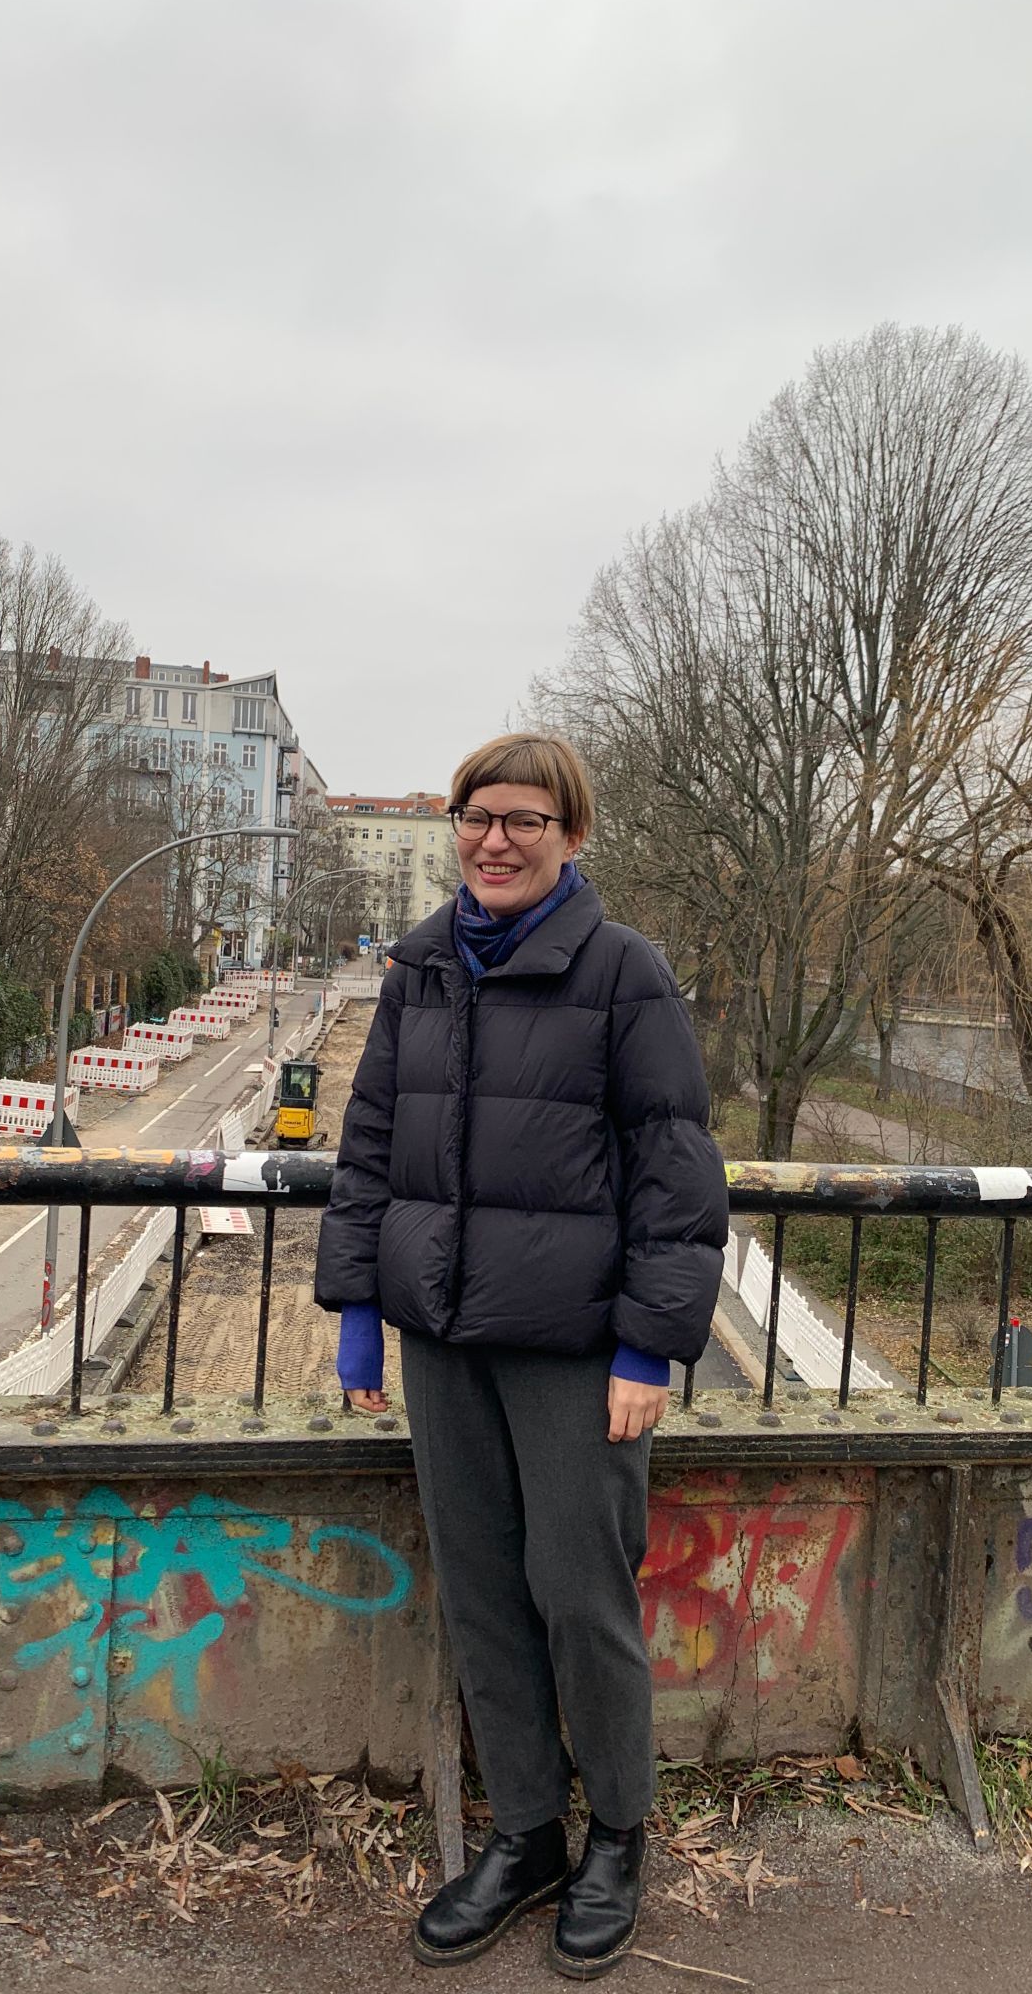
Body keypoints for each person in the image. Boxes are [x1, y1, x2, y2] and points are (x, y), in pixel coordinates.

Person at [314, 733, 727, 1979]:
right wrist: (358, 1307)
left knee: (580, 1593)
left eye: (525, 821)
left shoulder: (623, 973)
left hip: (571, 1350)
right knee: (484, 1592)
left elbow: (676, 1175)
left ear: (571, 834)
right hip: (443, 1339)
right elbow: (372, 1142)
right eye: (477, 817)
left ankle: (619, 1835)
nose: (496, 839)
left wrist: (649, 1346)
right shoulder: (422, 968)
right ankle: (530, 1833)